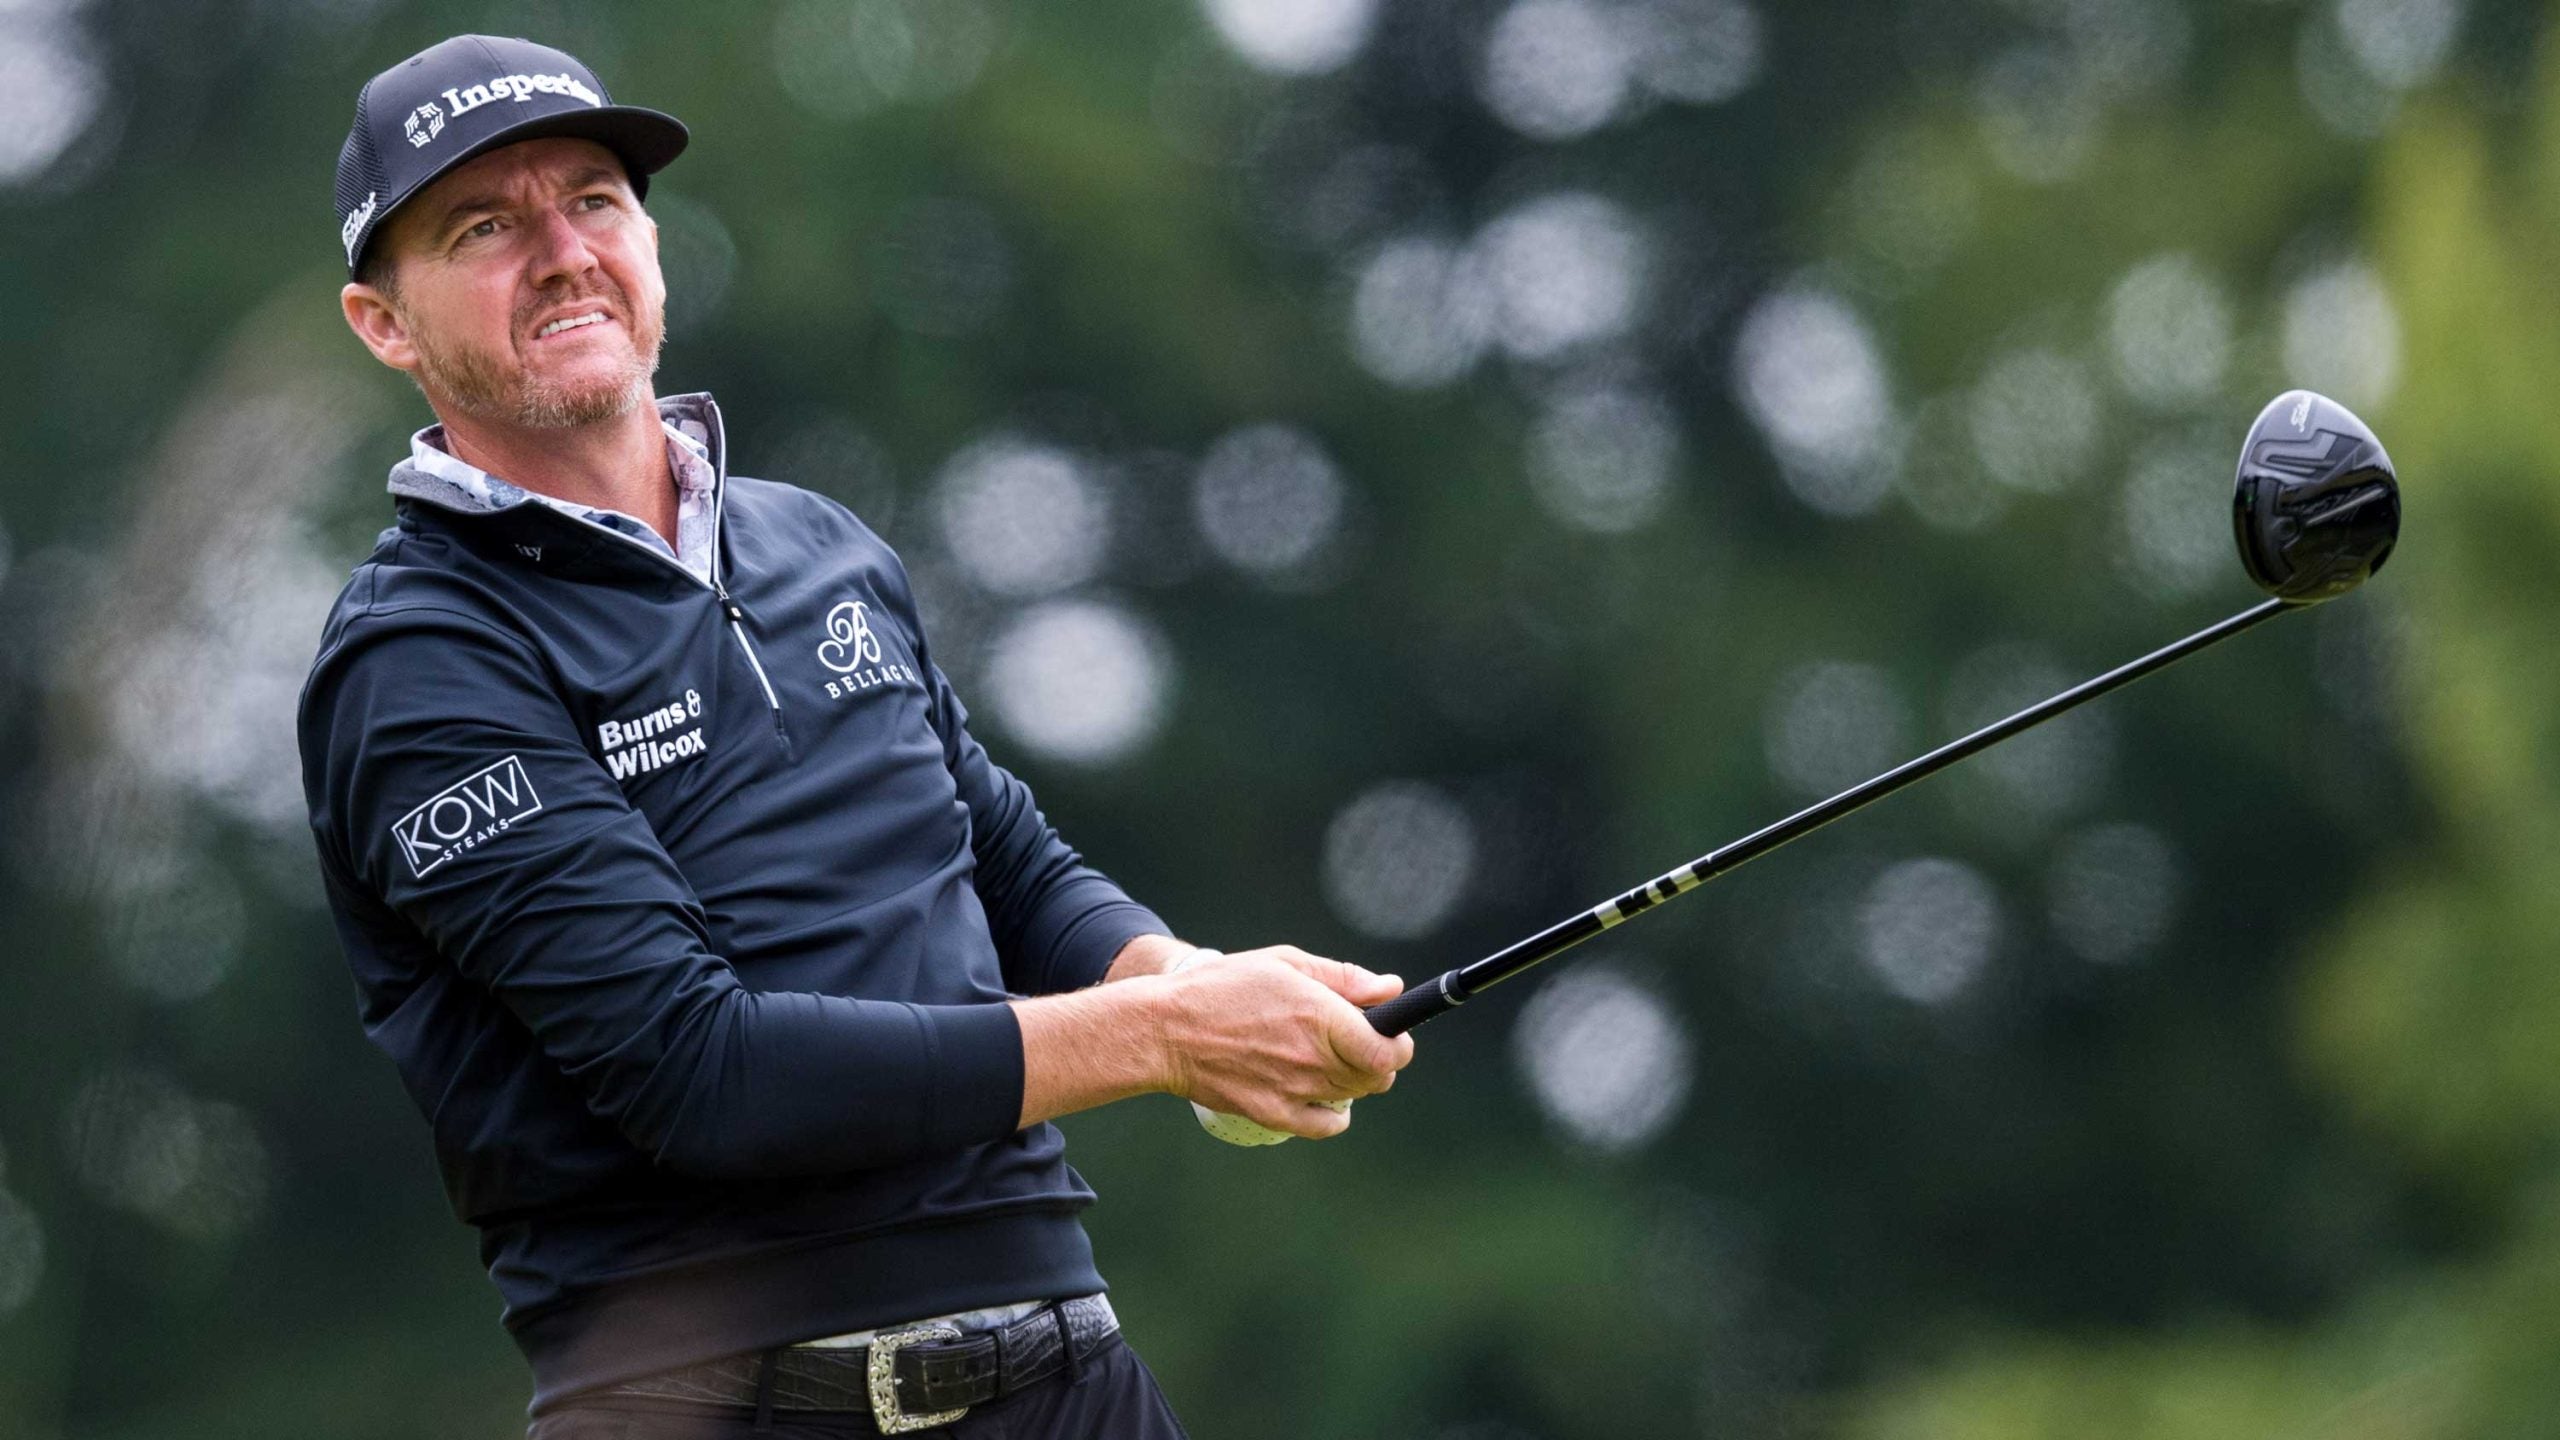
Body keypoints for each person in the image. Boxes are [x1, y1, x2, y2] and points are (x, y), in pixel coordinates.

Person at [297, 34, 1415, 1438]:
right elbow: (704, 1074)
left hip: (1068, 1377)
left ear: (649, 239)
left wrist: (1193, 977)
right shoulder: (420, 660)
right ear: (384, 323)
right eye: (482, 227)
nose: (561, 251)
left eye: (592, 200)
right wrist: (1168, 1035)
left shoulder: (816, 543)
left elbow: (1000, 858)